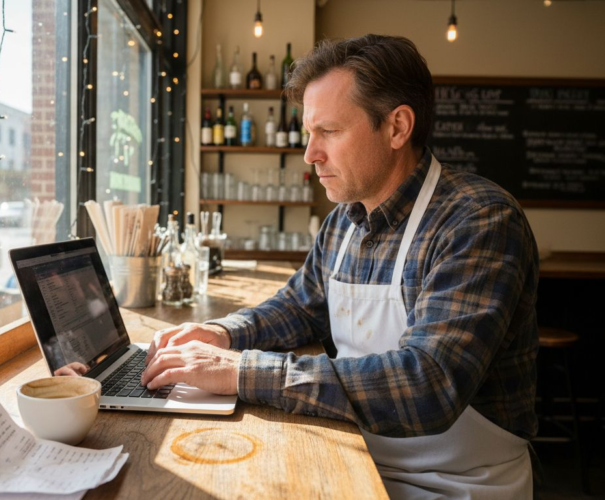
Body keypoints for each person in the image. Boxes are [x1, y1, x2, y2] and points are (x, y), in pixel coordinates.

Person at [142, 35, 538, 498]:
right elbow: (299, 306)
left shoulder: (478, 219)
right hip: (360, 454)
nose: (310, 154)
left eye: (328, 131)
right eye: (309, 133)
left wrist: (239, 370)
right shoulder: (344, 219)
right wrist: (223, 334)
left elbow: (429, 384)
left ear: (397, 127)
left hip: (460, 484)